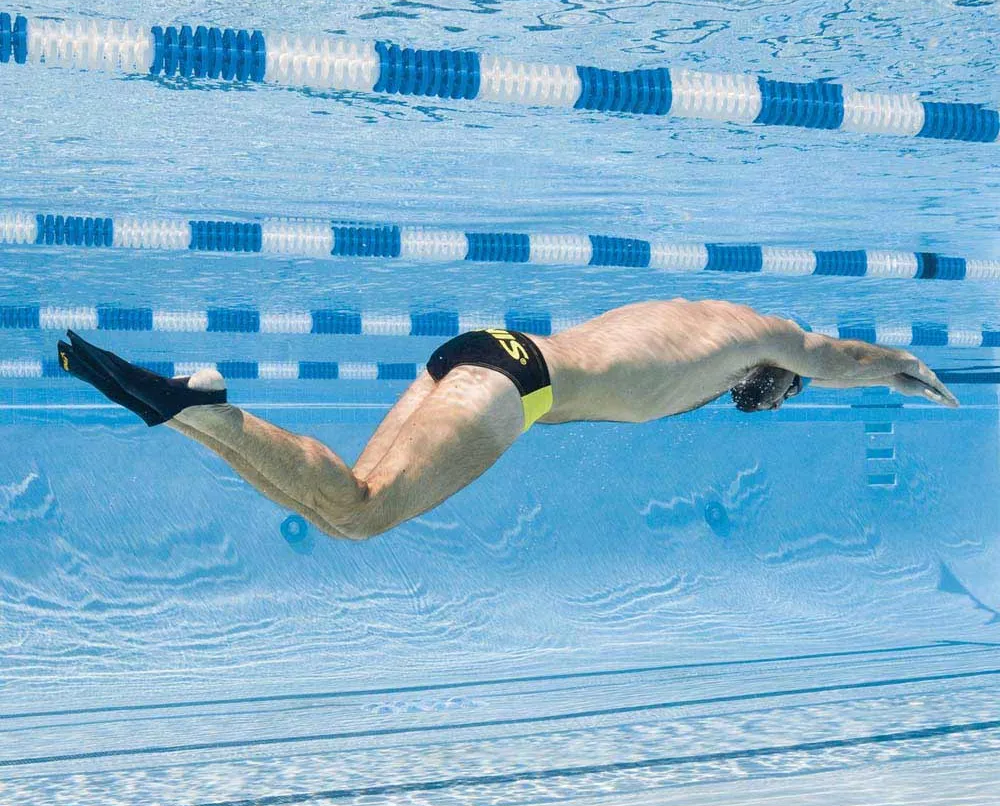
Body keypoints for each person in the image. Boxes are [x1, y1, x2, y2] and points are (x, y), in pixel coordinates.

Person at [57, 299, 957, 541]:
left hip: (488, 353)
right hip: (518, 381)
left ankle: (189, 410)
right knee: (362, 513)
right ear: (782, 372)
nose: (771, 398)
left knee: (342, 511)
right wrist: (907, 371)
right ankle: (201, 410)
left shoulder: (705, 335)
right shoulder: (769, 335)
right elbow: (836, 355)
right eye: (784, 390)